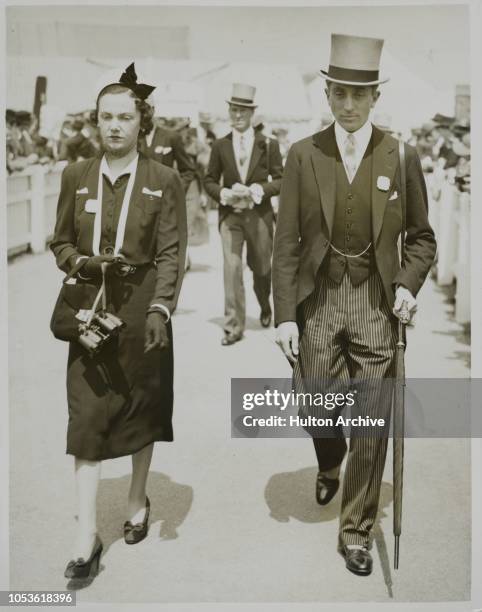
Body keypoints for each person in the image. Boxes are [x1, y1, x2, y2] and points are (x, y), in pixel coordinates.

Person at [272, 34, 436, 576]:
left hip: (375, 302)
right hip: (318, 300)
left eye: (358, 95)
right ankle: (328, 457)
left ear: (374, 99)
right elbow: (286, 243)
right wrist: (284, 315)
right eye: (339, 93)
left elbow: (421, 239)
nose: (348, 105)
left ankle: (357, 529)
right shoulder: (303, 154)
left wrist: (409, 286)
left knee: (371, 414)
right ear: (326, 93)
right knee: (316, 400)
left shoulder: (402, 155)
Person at [50, 62, 187, 581]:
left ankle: (136, 498)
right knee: (85, 416)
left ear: (141, 123)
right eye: (105, 117)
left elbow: (172, 251)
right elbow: (59, 241)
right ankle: (85, 534)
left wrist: (162, 307)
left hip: (143, 304)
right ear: (95, 122)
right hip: (89, 304)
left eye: (124, 118)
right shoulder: (74, 175)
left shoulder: (164, 179)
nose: (113, 126)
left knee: (141, 407)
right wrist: (77, 263)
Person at [204, 83, 283, 345]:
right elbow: (209, 181)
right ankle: (233, 326)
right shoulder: (219, 145)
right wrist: (224, 193)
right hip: (231, 217)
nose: (236, 115)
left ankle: (264, 304)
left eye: (242, 111)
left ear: (251, 114)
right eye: (233, 110)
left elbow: (281, 180)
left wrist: (257, 189)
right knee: (232, 268)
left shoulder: (268, 145)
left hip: (259, 215)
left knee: (262, 267)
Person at [138, 108, 196, 193]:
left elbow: (188, 170)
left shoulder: (171, 137)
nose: (144, 115)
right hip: (137, 200)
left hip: (163, 200)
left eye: (146, 110)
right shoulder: (131, 138)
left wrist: (175, 193)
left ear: (153, 110)